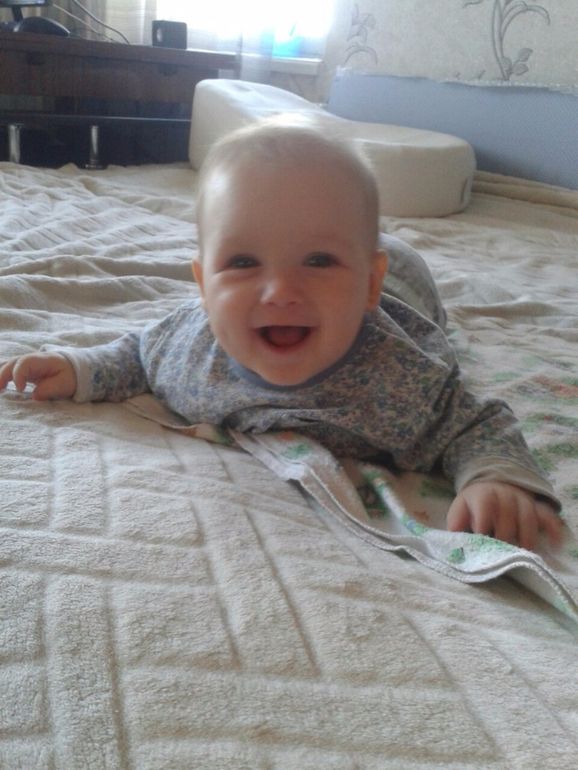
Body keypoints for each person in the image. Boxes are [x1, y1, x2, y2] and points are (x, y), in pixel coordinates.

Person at [0, 118, 563, 551]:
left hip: (406, 287)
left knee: (412, 282)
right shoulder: (190, 349)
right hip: (368, 269)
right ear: (203, 284)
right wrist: (77, 367)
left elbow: (476, 423)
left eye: (318, 260)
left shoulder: (402, 378)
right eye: (243, 262)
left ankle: (371, 266)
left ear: (368, 282)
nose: (280, 292)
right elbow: (137, 355)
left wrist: (496, 479)